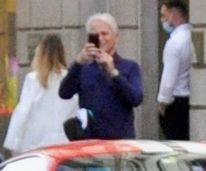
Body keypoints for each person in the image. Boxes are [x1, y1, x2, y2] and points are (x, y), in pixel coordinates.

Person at [59, 13, 144, 141]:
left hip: (120, 140)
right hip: (89, 140)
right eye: (95, 35)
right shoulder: (84, 68)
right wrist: (78, 63)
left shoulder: (129, 66)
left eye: (105, 34)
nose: (100, 38)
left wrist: (113, 72)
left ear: (116, 37)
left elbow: (136, 99)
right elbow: (64, 93)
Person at [5, 35, 81, 153]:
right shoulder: (70, 78)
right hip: (64, 143)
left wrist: (14, 143)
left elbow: (22, 112)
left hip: (35, 144)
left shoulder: (33, 79)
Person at [158, 0, 194, 140]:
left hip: (176, 101)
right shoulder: (192, 36)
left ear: (173, 15)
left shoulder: (174, 42)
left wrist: (162, 102)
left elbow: (168, 78)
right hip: (189, 100)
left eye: (164, 15)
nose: (162, 20)